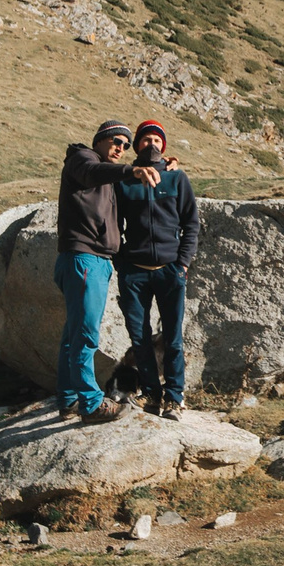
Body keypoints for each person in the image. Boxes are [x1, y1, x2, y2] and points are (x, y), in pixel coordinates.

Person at [55, 121, 165, 422]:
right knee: (86, 335)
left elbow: (134, 180)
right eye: (116, 141)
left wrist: (162, 165)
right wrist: (131, 170)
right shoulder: (83, 160)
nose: (121, 148)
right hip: (85, 259)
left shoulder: (108, 174)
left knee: (73, 335)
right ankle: (91, 404)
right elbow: (94, 172)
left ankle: (68, 400)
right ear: (100, 140)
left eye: (126, 146)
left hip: (95, 261)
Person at [113, 118, 200, 418]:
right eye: (145, 140)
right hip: (134, 273)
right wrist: (121, 264)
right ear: (137, 145)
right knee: (139, 338)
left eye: (156, 141)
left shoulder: (177, 179)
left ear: (164, 146)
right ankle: (151, 394)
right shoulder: (125, 181)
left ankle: (174, 397)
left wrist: (183, 263)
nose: (151, 145)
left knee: (173, 337)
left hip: (170, 271)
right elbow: (114, 225)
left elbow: (191, 223)